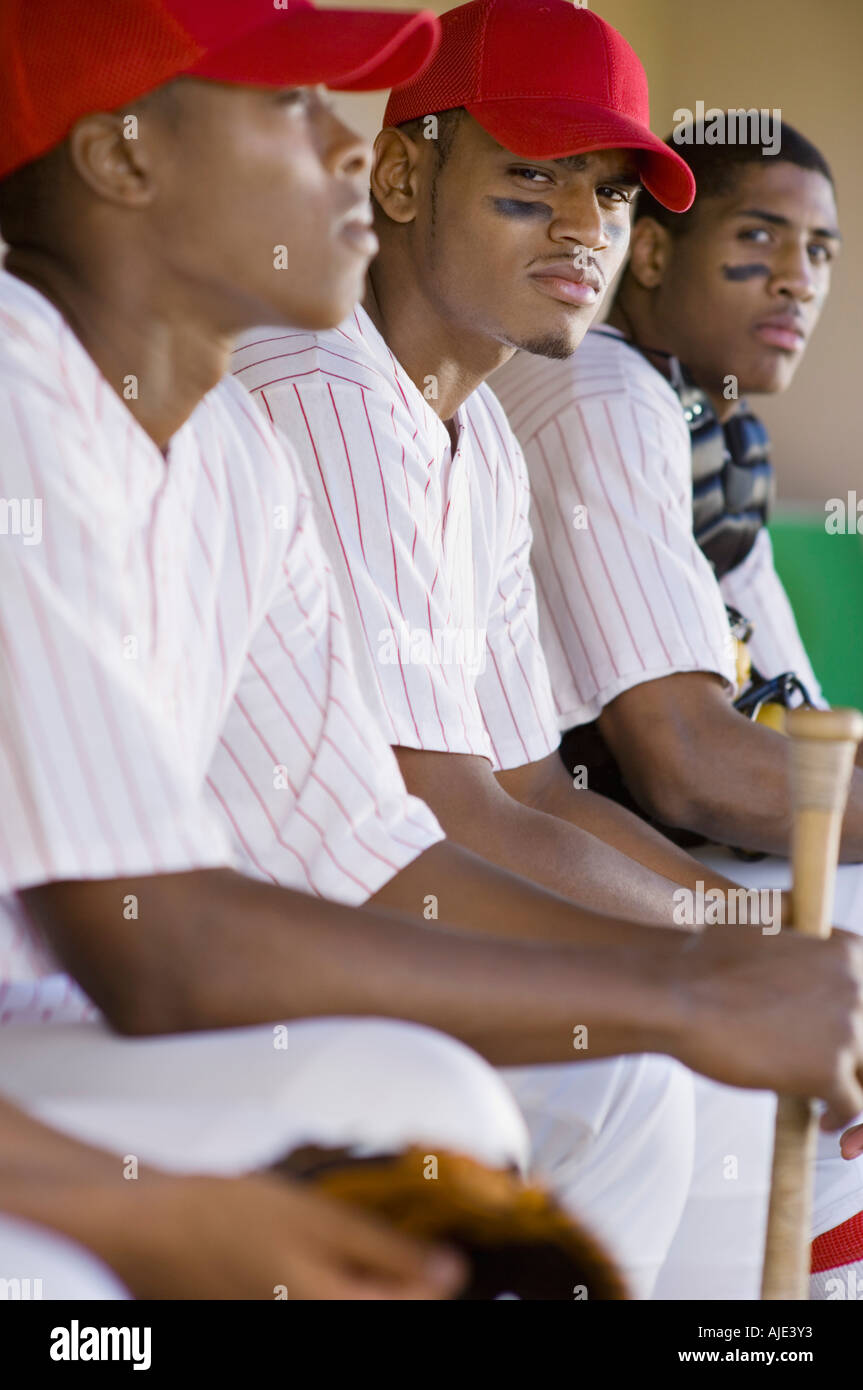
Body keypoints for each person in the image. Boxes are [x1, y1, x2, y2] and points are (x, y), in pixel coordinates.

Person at [3, 0, 861, 1299]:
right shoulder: (85, 388)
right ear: (122, 156)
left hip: (120, 1017)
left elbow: (396, 840)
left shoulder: (231, 450)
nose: (342, 145)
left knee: (537, 1079)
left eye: (610, 192)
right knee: (561, 1078)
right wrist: (694, 977)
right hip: (102, 1018)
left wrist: (723, 960)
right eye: (288, 105)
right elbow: (163, 934)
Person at [491, 117, 863, 1295]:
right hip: (604, 866)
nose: (796, 276)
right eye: (758, 236)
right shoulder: (598, 388)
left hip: (690, 860)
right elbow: (695, 766)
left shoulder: (712, 426)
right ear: (646, 254)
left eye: (820, 249)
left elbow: (789, 727)